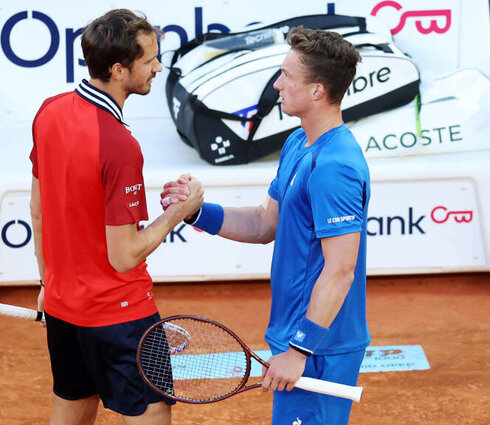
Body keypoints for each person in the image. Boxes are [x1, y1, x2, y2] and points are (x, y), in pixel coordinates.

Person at [162, 27, 370, 424]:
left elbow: (340, 271)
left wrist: (300, 351)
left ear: (317, 91)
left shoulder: (335, 167)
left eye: (287, 76)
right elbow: (262, 223)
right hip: (298, 334)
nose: (276, 84)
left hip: (320, 347)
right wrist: (196, 211)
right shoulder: (298, 143)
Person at [29, 9, 203, 425]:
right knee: (153, 411)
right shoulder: (119, 144)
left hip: (63, 308)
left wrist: (47, 283)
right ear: (120, 70)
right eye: (149, 61)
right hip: (122, 317)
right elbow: (124, 255)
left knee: (72, 409)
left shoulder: (48, 111)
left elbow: (38, 212)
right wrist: (179, 212)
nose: (158, 67)